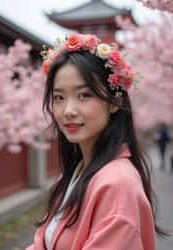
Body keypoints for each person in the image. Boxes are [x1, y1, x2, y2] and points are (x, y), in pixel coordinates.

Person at [26, 34, 165, 250]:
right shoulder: (78, 171)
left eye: (84, 95)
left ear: (114, 101)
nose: (68, 111)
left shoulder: (117, 185)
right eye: (59, 98)